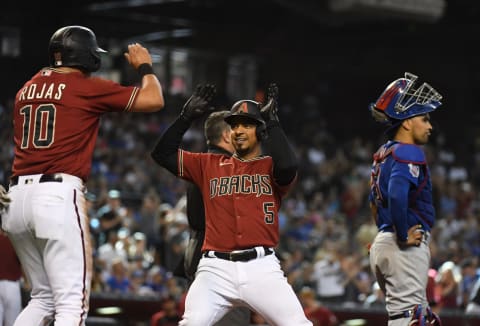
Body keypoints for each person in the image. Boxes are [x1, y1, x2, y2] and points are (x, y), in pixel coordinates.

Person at [1, 25, 164, 326]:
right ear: (86, 55)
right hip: (55, 195)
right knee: (71, 302)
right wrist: (144, 66)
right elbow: (154, 99)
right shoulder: (84, 86)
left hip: (16, 198)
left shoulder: (26, 88)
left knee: (42, 298)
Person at [151, 83, 312, 325]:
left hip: (262, 268)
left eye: (246, 124)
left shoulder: (269, 167)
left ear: (260, 131)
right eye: (234, 124)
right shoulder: (209, 164)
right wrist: (185, 118)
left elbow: (289, 166)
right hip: (214, 269)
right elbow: (162, 154)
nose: (238, 130)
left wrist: (273, 123)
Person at [368, 72, 442, 325]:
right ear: (408, 123)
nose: (430, 126)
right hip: (403, 245)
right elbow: (397, 194)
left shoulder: (384, 153)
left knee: (416, 316)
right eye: (425, 118)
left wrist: (387, 235)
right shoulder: (409, 151)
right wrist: (401, 235)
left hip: (384, 243)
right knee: (409, 318)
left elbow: (373, 204)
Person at [173, 110, 251, 325]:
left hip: (200, 255)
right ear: (226, 135)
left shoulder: (202, 164)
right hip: (219, 263)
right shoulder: (222, 168)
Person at [0, 230, 22, 326]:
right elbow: (22, 262)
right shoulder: (14, 240)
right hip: (12, 285)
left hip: (8, 283)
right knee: (12, 323)